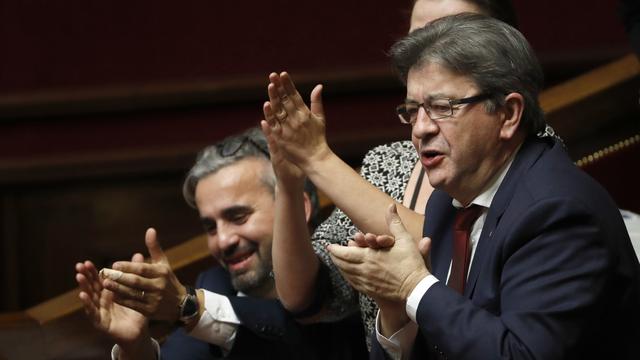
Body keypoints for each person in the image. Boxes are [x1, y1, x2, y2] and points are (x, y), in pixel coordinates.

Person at [325, 13, 640, 359]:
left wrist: (413, 286)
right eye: (413, 111)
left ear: (508, 114)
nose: (420, 129)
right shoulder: (449, 204)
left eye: (442, 107)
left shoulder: (557, 211)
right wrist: (398, 312)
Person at [261, 0, 562, 348]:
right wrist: (288, 182)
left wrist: (319, 161)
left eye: (451, 31)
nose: (429, 48)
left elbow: (458, 247)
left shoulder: (532, 150)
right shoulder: (385, 161)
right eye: (419, 35)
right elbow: (305, 295)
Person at [75, 127, 368, 359]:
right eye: (210, 226)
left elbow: (297, 338)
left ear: (297, 208)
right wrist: (136, 348)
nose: (223, 241)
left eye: (238, 216)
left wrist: (187, 306)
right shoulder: (216, 285)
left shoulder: (349, 277)